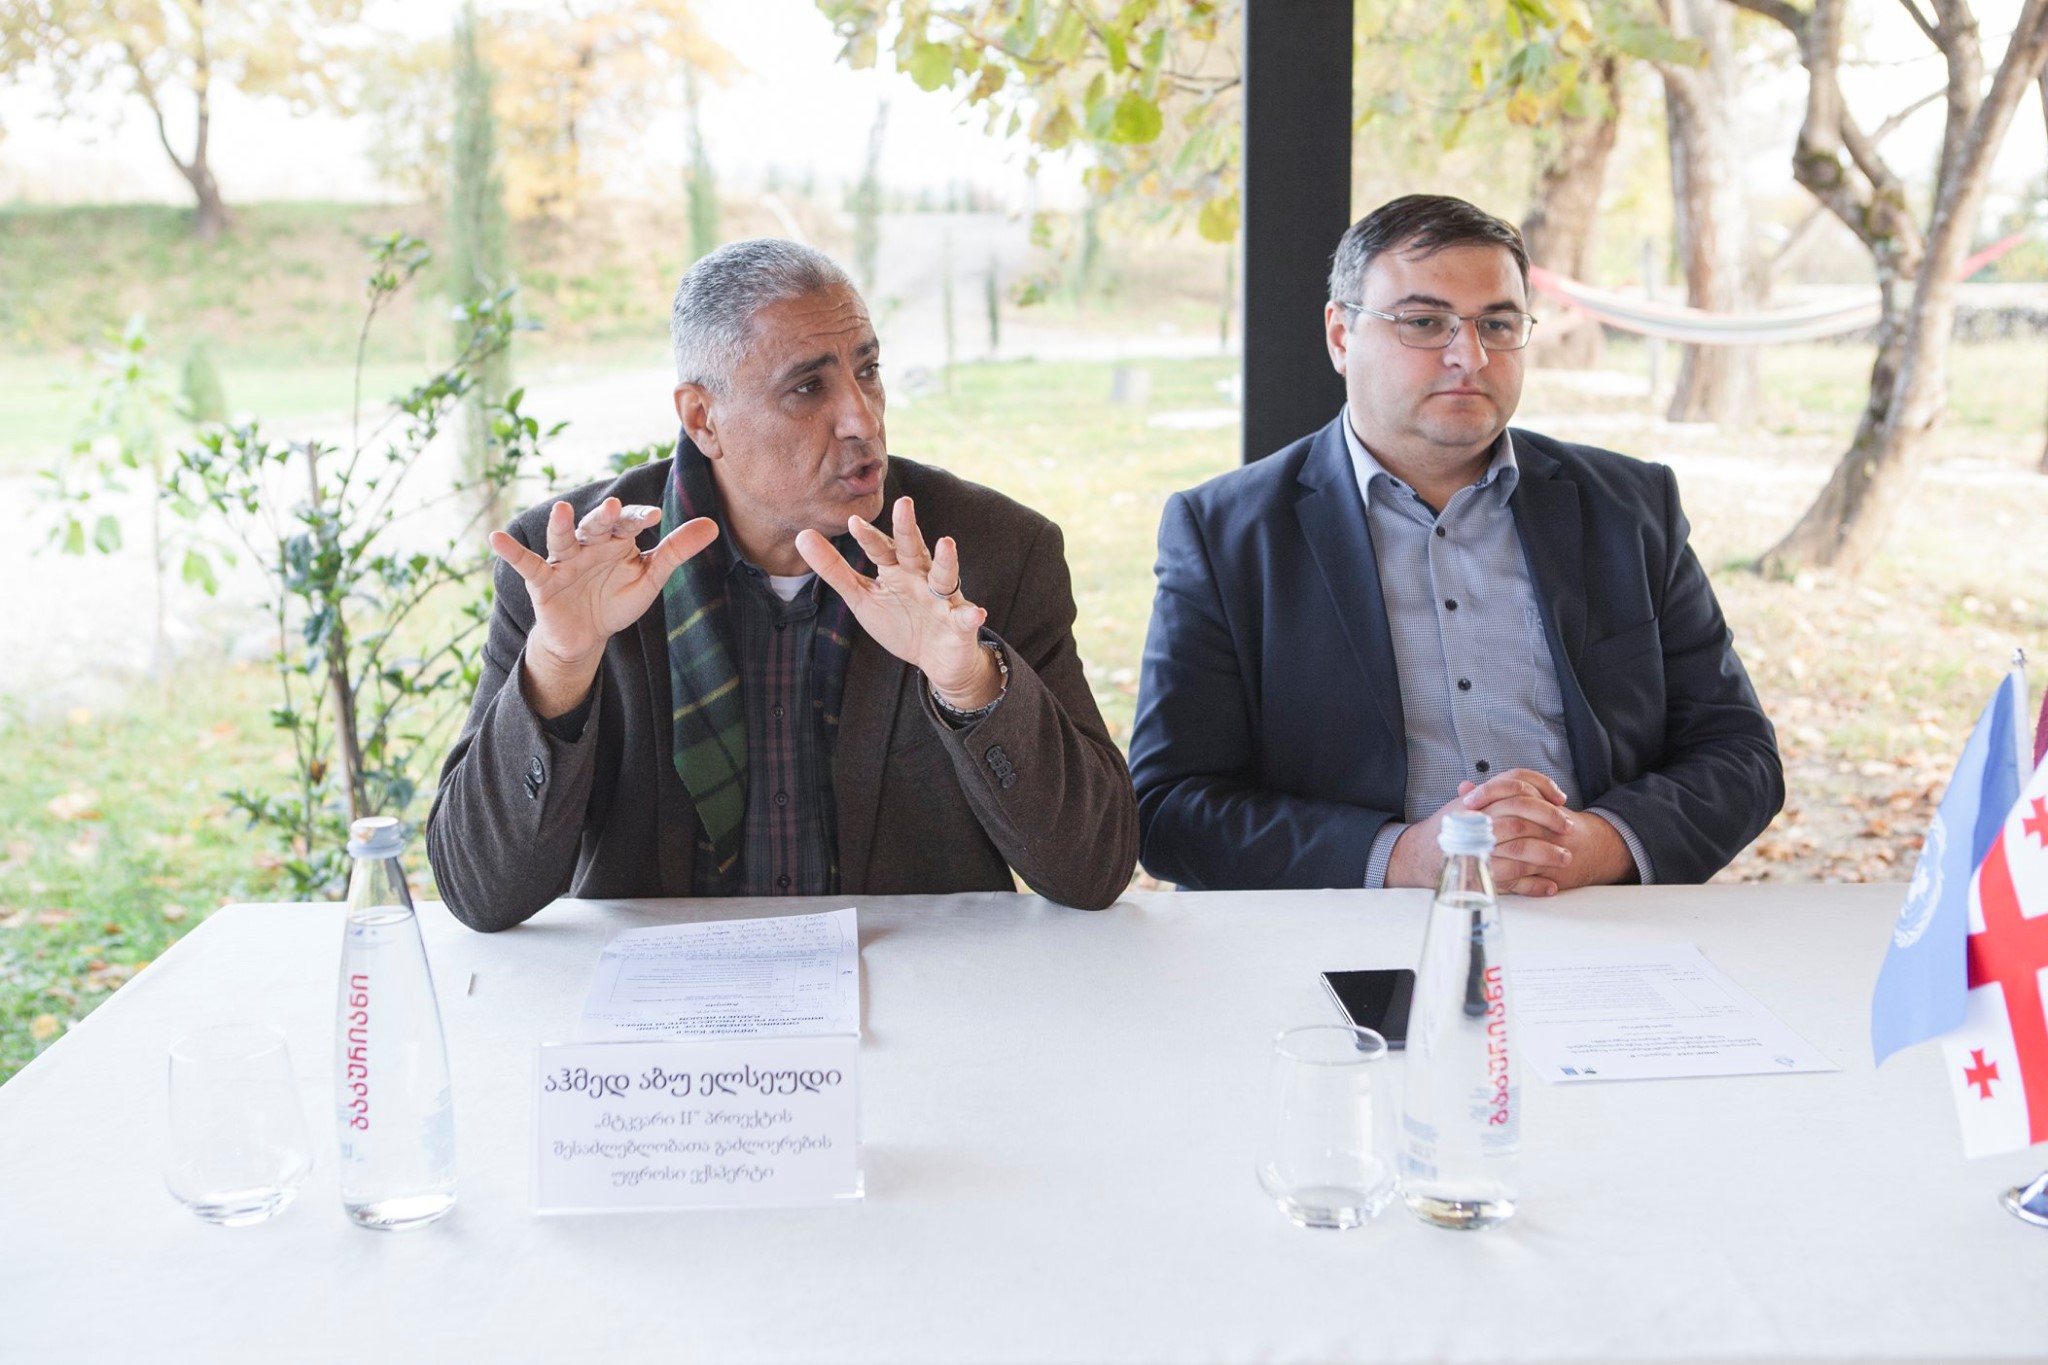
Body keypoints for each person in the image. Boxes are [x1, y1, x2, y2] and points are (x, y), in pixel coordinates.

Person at [428, 239, 1137, 929]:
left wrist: (970, 683)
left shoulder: (990, 553)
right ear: (703, 419)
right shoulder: (570, 569)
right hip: (661, 991)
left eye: (868, 370)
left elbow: (1095, 868)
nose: (862, 417)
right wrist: (559, 666)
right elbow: (480, 892)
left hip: (918, 990)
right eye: (808, 387)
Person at [1128, 194, 1782, 894]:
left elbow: (1739, 754)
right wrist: (1403, 857)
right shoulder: (1225, 533)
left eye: (1497, 324)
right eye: (1424, 322)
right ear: (1341, 336)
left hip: (1593, 915)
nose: (1469, 356)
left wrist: (1596, 845)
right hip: (1347, 927)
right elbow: (1169, 808)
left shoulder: (1630, 508)